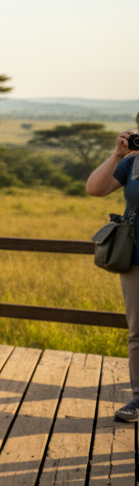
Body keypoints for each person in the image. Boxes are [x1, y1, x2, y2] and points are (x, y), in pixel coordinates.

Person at [85, 113, 139, 422]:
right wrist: (117, 154)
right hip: (134, 256)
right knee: (137, 332)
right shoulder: (131, 164)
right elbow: (95, 188)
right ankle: (138, 399)